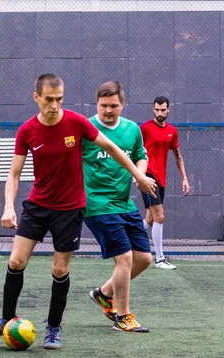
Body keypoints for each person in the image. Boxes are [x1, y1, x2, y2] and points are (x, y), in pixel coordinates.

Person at [0, 74, 156, 349]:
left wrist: (139, 176)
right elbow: (13, 174)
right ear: (36, 98)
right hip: (37, 206)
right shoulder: (27, 131)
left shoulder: (76, 123)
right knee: (15, 262)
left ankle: (53, 329)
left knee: (60, 269)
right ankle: (5, 320)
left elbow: (113, 148)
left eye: (59, 99)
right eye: (48, 100)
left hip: (70, 209)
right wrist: (9, 207)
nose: (54, 105)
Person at [84, 81, 152, 332]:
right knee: (124, 258)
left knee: (144, 259)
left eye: (114, 106)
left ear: (122, 105)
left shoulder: (132, 129)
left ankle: (104, 293)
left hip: (124, 203)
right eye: (104, 106)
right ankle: (122, 316)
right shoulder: (87, 128)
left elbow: (140, 156)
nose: (108, 111)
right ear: (97, 104)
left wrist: (140, 175)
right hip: (97, 204)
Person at [139, 96, 190, 270]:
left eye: (163, 110)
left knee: (151, 219)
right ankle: (159, 259)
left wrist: (184, 178)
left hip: (161, 178)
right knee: (160, 216)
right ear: (153, 109)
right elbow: (133, 151)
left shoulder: (172, 131)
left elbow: (178, 156)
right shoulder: (144, 128)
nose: (160, 112)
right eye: (157, 109)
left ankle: (126, 240)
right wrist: (137, 175)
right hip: (147, 176)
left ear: (168, 110)